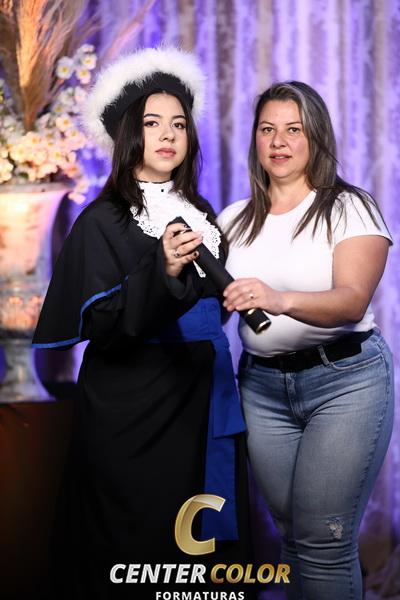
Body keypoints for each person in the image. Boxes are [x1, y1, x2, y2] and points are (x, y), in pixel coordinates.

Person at [32, 47, 253, 599]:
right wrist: (163, 270)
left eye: (179, 123)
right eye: (153, 123)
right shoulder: (101, 219)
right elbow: (101, 322)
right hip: (131, 404)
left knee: (199, 540)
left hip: (200, 391)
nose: (168, 134)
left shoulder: (202, 209)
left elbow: (210, 302)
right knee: (136, 542)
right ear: (129, 133)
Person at [217, 81, 394, 600]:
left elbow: (351, 302)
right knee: (293, 538)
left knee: (323, 542)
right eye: (267, 129)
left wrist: (278, 298)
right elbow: (212, 309)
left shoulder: (349, 207)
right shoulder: (232, 220)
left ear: (315, 136)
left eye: (293, 129)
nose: (279, 142)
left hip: (345, 383)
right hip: (262, 389)